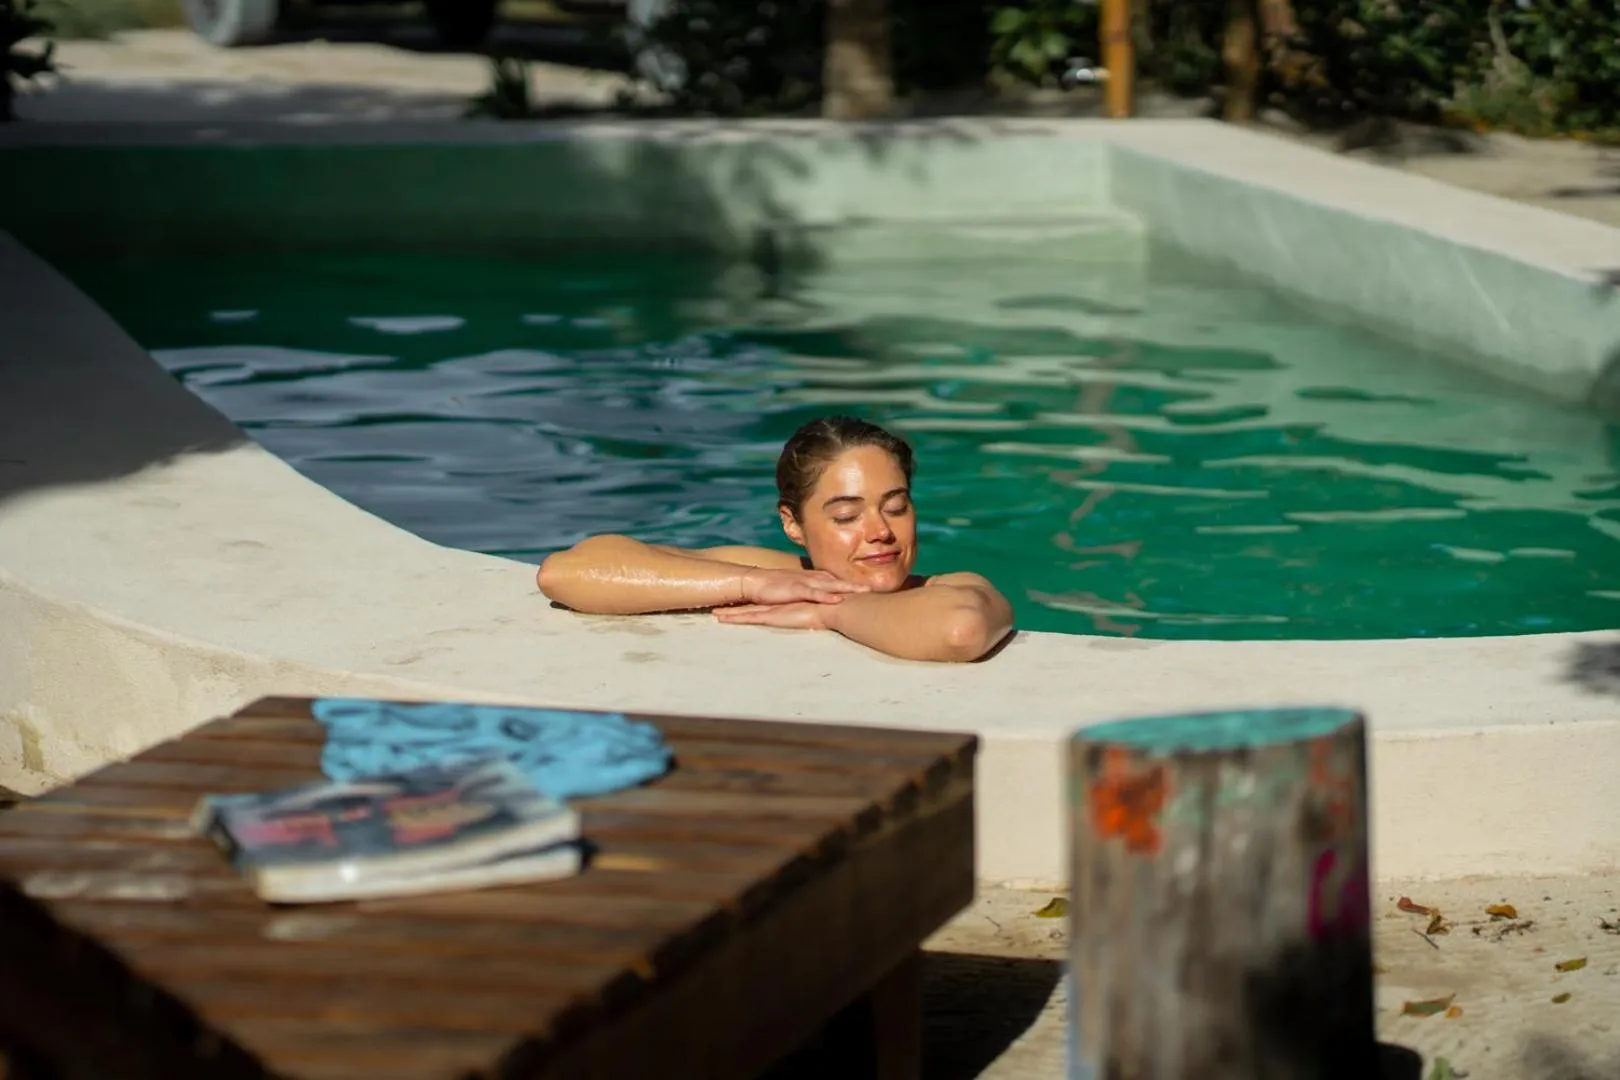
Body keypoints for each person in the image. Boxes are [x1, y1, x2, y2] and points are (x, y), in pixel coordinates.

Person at [536, 416, 1015, 663]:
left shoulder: (949, 587)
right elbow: (568, 571)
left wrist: (827, 609)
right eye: (847, 514)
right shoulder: (775, 575)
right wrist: (751, 584)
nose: (880, 531)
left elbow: (960, 630)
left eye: (895, 506)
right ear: (793, 524)